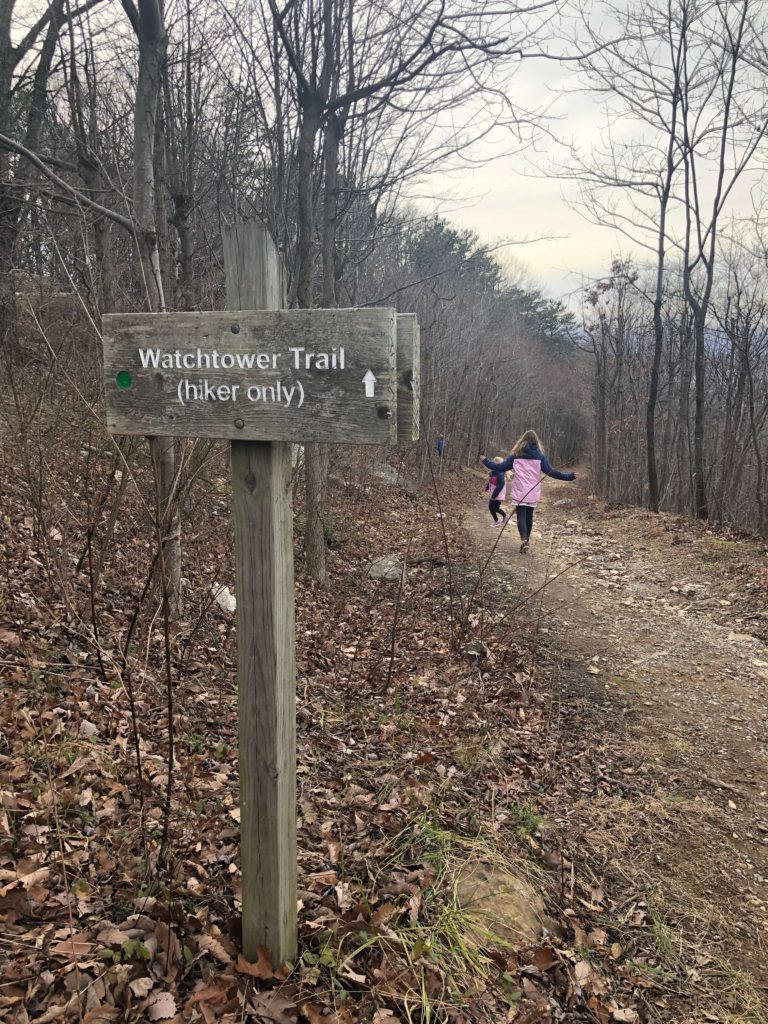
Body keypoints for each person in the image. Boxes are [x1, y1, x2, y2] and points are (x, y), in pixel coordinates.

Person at [480, 429, 576, 553]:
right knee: (529, 516)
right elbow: (552, 472)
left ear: (522, 441)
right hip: (532, 491)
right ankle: (527, 541)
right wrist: (570, 476)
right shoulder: (540, 457)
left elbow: (499, 467)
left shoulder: (516, 456)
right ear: (536, 442)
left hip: (520, 490)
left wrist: (485, 460)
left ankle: (524, 540)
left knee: (521, 515)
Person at [485, 458, 508, 527]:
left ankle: (505, 516)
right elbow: (490, 481)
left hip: (498, 493)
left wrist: (494, 495)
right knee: (490, 507)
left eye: (495, 463)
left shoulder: (500, 473)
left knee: (495, 508)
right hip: (493, 493)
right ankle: (496, 521)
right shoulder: (492, 472)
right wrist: (487, 488)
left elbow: (500, 485)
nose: (493, 465)